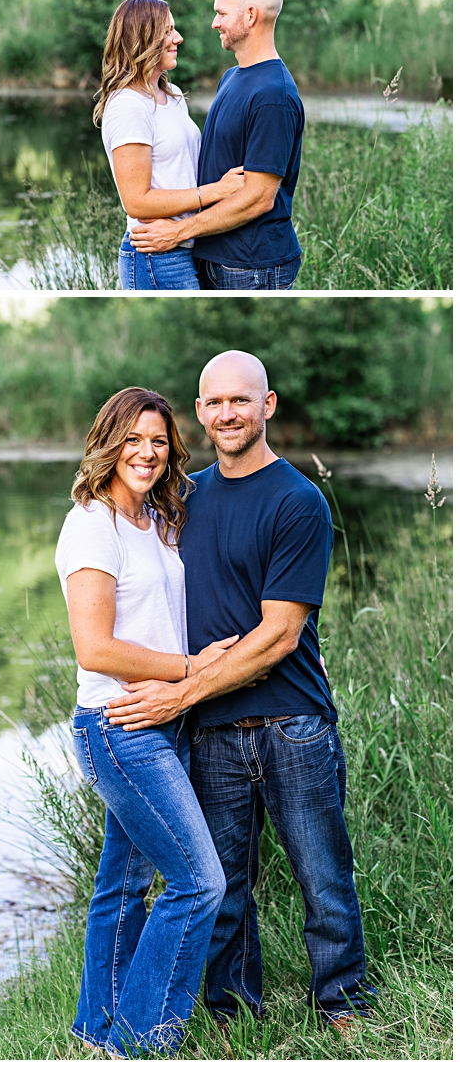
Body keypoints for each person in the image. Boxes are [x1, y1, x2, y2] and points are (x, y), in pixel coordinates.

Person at [105, 352, 375, 1033]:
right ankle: (231, 1014)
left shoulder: (297, 500)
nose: (228, 412)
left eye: (241, 400)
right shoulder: (183, 498)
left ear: (268, 405)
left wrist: (178, 692)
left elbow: (279, 635)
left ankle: (342, 1004)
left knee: (324, 877)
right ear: (199, 412)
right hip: (213, 731)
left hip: (295, 723)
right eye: (215, 401)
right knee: (223, 888)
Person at [56, 387, 237, 1055]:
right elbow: (94, 647)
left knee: (124, 883)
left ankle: (97, 1030)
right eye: (134, 438)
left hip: (163, 722)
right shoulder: (91, 523)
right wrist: (190, 668)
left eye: (158, 441)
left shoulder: (156, 521)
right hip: (119, 724)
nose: (147, 451)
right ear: (110, 442)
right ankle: (141, 1038)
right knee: (199, 881)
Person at [128, 0, 306, 290]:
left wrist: (180, 231)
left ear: (250, 15)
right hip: (215, 256)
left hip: (249, 266)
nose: (215, 23)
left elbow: (258, 198)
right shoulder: (232, 77)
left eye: (221, 13)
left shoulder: (272, 95)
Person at [96, 0, 244, 291]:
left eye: (174, 29)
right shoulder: (128, 106)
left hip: (185, 243)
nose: (178, 38)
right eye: (167, 31)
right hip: (157, 256)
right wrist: (217, 191)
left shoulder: (171, 93)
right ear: (141, 38)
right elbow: (137, 201)